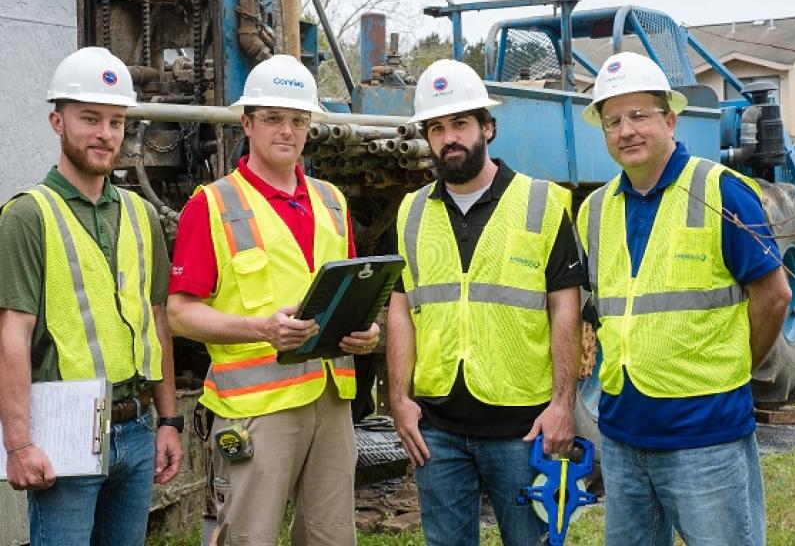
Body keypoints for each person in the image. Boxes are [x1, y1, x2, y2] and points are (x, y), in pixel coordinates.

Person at [576, 51, 791, 546]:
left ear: (669, 119)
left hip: (705, 435)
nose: (626, 130)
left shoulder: (720, 192)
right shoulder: (595, 211)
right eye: (613, 121)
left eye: (639, 115)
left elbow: (775, 295)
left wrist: (736, 366)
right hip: (624, 435)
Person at [167, 54, 379, 545]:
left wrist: (364, 332)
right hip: (255, 410)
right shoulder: (213, 204)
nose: (288, 131)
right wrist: (261, 328)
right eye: (274, 119)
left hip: (330, 401)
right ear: (247, 123)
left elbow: (348, 291)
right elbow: (179, 313)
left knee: (331, 537)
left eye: (298, 120)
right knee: (250, 538)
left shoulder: (332, 200)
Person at [387, 59, 583, 546]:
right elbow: (400, 308)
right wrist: (398, 400)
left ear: (487, 128)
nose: (449, 137)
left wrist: (563, 405)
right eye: (436, 127)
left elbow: (566, 309)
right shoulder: (411, 211)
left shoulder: (542, 202)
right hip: (437, 430)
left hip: (522, 428)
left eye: (460, 123)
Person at [0, 47, 183, 546]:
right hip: (65, 434)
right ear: (57, 122)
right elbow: (11, 336)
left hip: (138, 429)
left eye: (116, 121)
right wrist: (17, 444)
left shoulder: (142, 215)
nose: (106, 134)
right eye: (90, 119)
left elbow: (156, 321)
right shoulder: (27, 216)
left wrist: (168, 420)